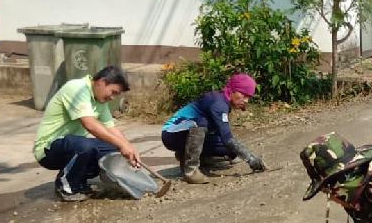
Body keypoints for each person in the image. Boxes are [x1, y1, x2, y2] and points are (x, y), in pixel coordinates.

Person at [33, 65, 139, 202]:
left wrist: (128, 148)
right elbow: (89, 124)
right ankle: (66, 187)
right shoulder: (77, 88)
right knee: (84, 146)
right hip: (49, 149)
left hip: (71, 145)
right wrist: (122, 144)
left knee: (114, 148)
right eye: (113, 92)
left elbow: (111, 128)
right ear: (102, 82)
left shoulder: (100, 100)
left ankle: (79, 180)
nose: (113, 98)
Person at [160, 73, 266, 184]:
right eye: (244, 95)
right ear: (233, 90)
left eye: (248, 97)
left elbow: (224, 136)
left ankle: (189, 156)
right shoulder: (218, 104)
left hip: (188, 133)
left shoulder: (224, 102)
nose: (246, 100)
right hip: (171, 133)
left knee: (230, 151)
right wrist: (251, 158)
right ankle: (190, 170)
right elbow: (227, 138)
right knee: (202, 123)